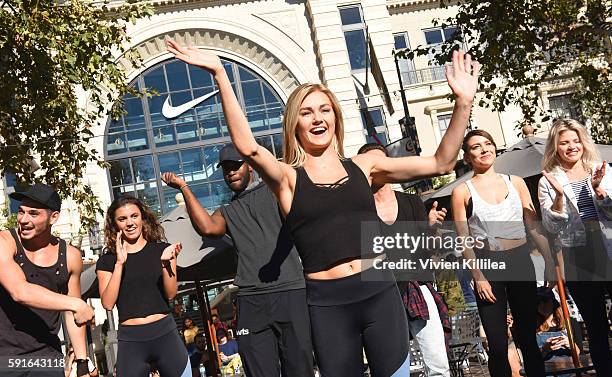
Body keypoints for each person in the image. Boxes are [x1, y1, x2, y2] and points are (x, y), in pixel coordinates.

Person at [167, 37, 479, 376]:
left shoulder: (366, 166)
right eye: (306, 112)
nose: (317, 119)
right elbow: (249, 147)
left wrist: (463, 101)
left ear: (335, 118)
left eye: (324, 110)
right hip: (326, 303)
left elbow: (441, 161)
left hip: (379, 293)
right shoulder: (287, 179)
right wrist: (220, 75)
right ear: (295, 124)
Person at [162, 146, 313, 377]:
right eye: (226, 169)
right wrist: (184, 187)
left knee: (299, 369)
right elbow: (207, 227)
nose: (230, 172)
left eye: (236, 165)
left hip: (290, 291)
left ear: (250, 166)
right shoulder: (227, 210)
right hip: (251, 299)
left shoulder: (276, 190)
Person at [451, 129, 556, 377]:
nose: (484, 149)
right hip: (489, 265)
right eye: (476, 147)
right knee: (498, 344)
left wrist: (550, 263)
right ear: (467, 157)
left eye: (488, 143)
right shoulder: (462, 191)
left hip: (520, 260)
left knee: (529, 337)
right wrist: (478, 276)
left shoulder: (515, 182)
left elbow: (534, 226)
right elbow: (463, 238)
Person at [358, 143, 451, 377]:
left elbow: (429, 252)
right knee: (394, 369)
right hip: (382, 293)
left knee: (438, 364)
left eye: (382, 163)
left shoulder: (411, 203)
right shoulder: (360, 210)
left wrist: (431, 230)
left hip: (417, 286)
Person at [538, 118, 612, 376]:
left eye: (575, 140)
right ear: (555, 147)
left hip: (608, 246)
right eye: (564, 142)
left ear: (583, 141)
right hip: (577, 253)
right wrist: (559, 198)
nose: (572, 146)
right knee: (595, 324)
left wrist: (600, 193)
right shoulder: (548, 180)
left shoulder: (602, 169)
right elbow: (551, 225)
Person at [0, 183, 94, 377]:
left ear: (53, 217)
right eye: (21, 212)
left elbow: (72, 315)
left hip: (46, 356)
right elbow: (20, 292)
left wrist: (82, 362)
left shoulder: (70, 256)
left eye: (33, 214)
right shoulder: (5, 242)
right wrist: (76, 304)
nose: (24, 220)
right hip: (5, 357)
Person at [96, 196, 189, 377]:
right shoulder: (107, 260)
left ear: (143, 218)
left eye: (134, 216)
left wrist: (165, 264)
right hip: (131, 341)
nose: (130, 223)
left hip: (166, 335)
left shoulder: (162, 250)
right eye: (122, 219)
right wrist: (119, 264)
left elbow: (171, 294)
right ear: (115, 224)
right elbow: (107, 303)